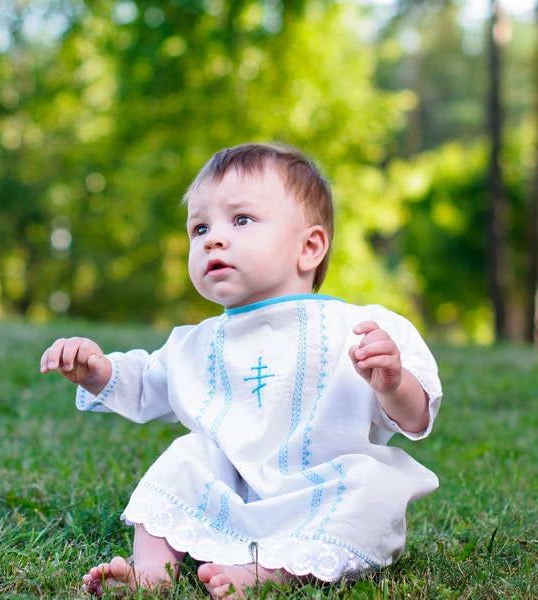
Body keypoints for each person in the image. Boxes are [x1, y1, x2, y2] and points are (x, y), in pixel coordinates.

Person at [40, 142, 442, 598]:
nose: (212, 238)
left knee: (375, 486)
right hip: (231, 493)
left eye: (242, 220)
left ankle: (281, 571)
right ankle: (151, 569)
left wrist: (392, 382)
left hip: (325, 493)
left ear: (309, 247)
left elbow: (416, 418)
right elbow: (146, 385)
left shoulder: (363, 328)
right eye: (199, 227)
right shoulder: (196, 343)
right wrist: (96, 370)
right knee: (187, 456)